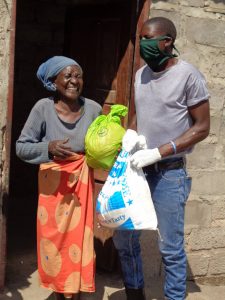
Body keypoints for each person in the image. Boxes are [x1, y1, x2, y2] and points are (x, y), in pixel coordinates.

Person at [113, 17, 210, 300]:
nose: (143, 44)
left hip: (169, 173)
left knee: (170, 247)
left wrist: (159, 151)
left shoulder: (188, 75)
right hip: (137, 172)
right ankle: (135, 292)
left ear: (167, 41)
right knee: (124, 237)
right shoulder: (141, 74)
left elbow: (202, 128)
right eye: (140, 38)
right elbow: (140, 114)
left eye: (148, 39)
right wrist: (130, 137)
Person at [16, 56, 102, 300]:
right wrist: (49, 148)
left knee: (80, 243)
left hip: (82, 188)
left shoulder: (94, 109)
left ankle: (75, 292)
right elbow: (21, 147)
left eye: (79, 75)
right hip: (53, 191)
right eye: (68, 76)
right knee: (55, 246)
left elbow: (104, 146)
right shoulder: (42, 108)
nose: (75, 81)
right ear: (54, 82)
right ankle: (59, 291)